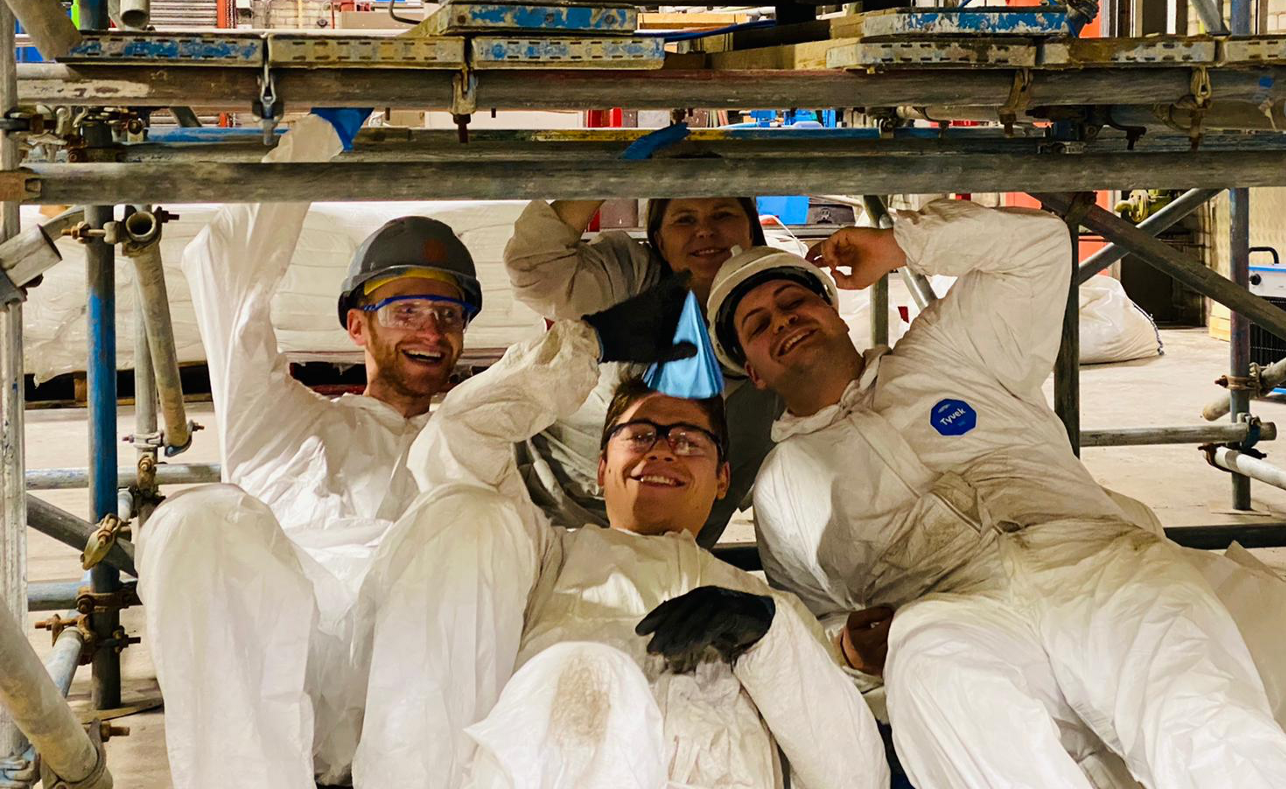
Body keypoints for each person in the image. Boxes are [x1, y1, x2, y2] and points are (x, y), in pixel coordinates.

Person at [707, 199, 1286, 789]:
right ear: (753, 371)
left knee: (1196, 715)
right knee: (928, 665)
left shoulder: (950, 351)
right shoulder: (781, 488)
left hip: (1095, 565)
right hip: (953, 611)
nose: (783, 320)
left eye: (794, 301)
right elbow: (810, 618)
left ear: (836, 312)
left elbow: (1041, 246)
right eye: (758, 325)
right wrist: (847, 642)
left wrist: (899, 245)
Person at [134, 110, 523, 789]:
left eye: (449, 315)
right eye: (406, 311)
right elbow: (229, 269)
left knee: (479, 517)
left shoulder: (478, 444)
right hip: (285, 680)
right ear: (356, 326)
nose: (432, 331)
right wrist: (322, 132)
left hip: (420, 704)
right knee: (194, 518)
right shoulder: (284, 425)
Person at [393, 289, 888, 789]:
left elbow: (855, 776)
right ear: (601, 469)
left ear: (722, 478)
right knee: (473, 523)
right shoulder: (541, 561)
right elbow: (460, 436)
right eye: (641, 435)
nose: (663, 452)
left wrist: (768, 639)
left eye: (688, 441)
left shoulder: (768, 610)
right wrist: (588, 344)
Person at [504, 192, 783, 544]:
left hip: (684, 535)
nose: (704, 230)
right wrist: (608, 176)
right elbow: (534, 267)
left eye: (723, 214)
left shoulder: (782, 297)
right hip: (552, 512)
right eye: (684, 219)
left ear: (751, 231)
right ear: (659, 240)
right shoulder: (633, 279)